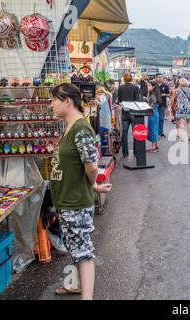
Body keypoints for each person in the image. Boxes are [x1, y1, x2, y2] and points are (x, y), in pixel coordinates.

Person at [50, 83, 112, 299]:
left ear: (67, 101)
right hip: (67, 199)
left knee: (83, 252)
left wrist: (92, 184)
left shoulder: (80, 128)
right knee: (74, 246)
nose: (51, 105)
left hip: (75, 202)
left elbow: (91, 166)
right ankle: (76, 286)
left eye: (54, 100)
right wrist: (94, 186)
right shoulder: (70, 127)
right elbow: (80, 167)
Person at [117, 72, 141, 158]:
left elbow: (119, 101)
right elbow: (137, 100)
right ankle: (136, 152)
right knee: (135, 133)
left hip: (124, 112)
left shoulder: (120, 88)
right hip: (133, 113)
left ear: (123, 78)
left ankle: (125, 153)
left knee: (125, 133)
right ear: (132, 79)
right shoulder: (136, 88)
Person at [144, 80, 161, 153]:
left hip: (152, 114)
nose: (147, 87)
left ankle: (153, 147)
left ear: (153, 87)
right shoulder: (154, 94)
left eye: (149, 85)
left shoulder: (153, 95)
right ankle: (155, 146)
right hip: (154, 114)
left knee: (153, 130)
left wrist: (150, 106)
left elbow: (153, 104)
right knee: (154, 129)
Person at [155, 73, 170, 138]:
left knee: (161, 119)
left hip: (162, 104)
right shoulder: (154, 85)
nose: (160, 78)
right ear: (156, 78)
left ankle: (160, 132)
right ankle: (154, 132)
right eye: (158, 77)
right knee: (155, 119)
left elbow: (169, 94)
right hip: (154, 104)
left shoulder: (165, 86)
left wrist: (164, 95)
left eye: (161, 77)